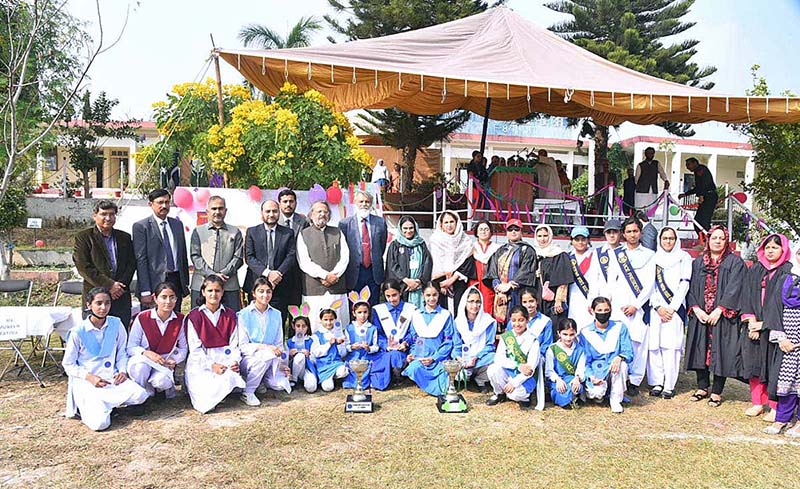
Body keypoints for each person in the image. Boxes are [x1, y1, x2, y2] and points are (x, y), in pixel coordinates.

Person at [62, 287, 148, 431]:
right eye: (99, 303)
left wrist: (122, 371)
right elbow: (68, 364)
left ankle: (109, 407)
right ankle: (92, 408)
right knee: (100, 424)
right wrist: (89, 377)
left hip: (111, 377)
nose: (103, 308)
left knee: (141, 395)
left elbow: (121, 353)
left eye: (107, 303)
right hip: (89, 382)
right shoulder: (78, 332)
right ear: (89, 305)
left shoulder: (116, 324)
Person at [684, 226, 745, 408]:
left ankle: (717, 391)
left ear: (726, 241)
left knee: (722, 351)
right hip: (701, 314)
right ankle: (702, 387)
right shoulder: (698, 263)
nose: (717, 241)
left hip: (722, 316)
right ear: (708, 240)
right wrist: (696, 308)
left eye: (721, 238)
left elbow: (735, 288)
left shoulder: (735, 263)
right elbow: (690, 286)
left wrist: (720, 309)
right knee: (700, 348)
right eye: (714, 238)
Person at [740, 234, 793, 421]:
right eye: (768, 247)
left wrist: (765, 325)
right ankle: (757, 403)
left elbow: (782, 303)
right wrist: (751, 321)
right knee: (754, 365)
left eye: (775, 247)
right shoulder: (756, 269)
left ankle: (775, 407)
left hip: (776, 328)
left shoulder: (788, 272)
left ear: (783, 250)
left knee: (774, 368)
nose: (771, 250)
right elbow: (745, 294)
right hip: (754, 326)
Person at [184, 275, 247, 413]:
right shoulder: (194, 316)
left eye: (217, 290)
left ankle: (223, 392)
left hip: (225, 359)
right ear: (203, 292)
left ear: (222, 292)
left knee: (228, 376)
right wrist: (211, 365)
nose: (214, 294)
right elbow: (195, 349)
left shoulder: (230, 315)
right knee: (205, 400)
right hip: (202, 362)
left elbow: (234, 344)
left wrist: (234, 361)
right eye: (210, 290)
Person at [608, 216, 655, 396]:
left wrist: (636, 304)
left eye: (635, 231)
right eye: (628, 232)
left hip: (639, 305)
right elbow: (611, 280)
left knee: (638, 341)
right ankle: (619, 376)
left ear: (640, 233)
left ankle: (634, 379)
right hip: (619, 303)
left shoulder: (649, 255)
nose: (632, 234)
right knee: (619, 340)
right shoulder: (616, 254)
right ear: (624, 234)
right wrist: (612, 301)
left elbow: (650, 283)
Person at [73, 200, 137, 327]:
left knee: (120, 337)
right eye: (104, 214)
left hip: (120, 297)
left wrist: (119, 287)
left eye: (112, 214)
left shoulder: (124, 237)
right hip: (95, 296)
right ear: (94, 215)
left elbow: (131, 264)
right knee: (94, 337)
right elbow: (83, 266)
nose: (108, 218)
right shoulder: (84, 237)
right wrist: (109, 285)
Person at [648, 227, 692, 399]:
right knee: (655, 345)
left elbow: (685, 283)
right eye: (665, 238)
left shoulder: (684, 258)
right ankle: (657, 381)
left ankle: (669, 384)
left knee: (671, 346)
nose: (668, 241)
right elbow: (649, 285)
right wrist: (659, 307)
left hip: (675, 309)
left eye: (671, 238)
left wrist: (672, 307)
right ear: (659, 240)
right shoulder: (654, 258)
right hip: (656, 309)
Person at [126, 282, 187, 399]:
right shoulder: (143, 317)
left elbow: (183, 348)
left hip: (164, 362)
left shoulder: (180, 320)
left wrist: (174, 360)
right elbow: (131, 346)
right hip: (145, 359)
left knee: (162, 381)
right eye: (163, 297)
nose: (168, 301)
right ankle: (142, 393)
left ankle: (158, 390)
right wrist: (146, 353)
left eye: (172, 297)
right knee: (139, 368)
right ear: (155, 298)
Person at [133, 189, 190, 313]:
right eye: (160, 202)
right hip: (154, 283)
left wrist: (185, 283)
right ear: (151, 204)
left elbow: (182, 254)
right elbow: (141, 259)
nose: (164, 206)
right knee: (153, 324)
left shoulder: (177, 225)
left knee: (174, 321)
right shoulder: (142, 227)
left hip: (176, 280)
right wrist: (145, 290)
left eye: (167, 202)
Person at [296, 201, 350, 331]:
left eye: (325, 212)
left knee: (339, 323)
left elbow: (345, 257)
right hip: (314, 288)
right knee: (314, 325)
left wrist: (334, 276)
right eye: (319, 211)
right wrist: (325, 275)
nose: (322, 214)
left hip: (337, 287)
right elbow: (304, 261)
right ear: (311, 214)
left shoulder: (337, 232)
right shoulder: (304, 234)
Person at [237, 278, 292, 406]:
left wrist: (281, 364)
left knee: (279, 385)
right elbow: (243, 346)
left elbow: (279, 343)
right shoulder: (243, 315)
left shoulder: (276, 314)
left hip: (271, 358)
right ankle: (248, 392)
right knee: (264, 357)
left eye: (268, 292)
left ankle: (259, 380)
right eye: (261, 291)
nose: (265, 295)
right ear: (253, 293)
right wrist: (265, 347)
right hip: (249, 359)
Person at [244, 199, 297, 320]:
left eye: (274, 211)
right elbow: (249, 257)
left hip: (281, 286)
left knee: (278, 322)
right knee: (256, 322)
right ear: (261, 213)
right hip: (256, 285)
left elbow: (291, 256)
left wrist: (278, 275)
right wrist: (268, 273)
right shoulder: (252, 232)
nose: (271, 214)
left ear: (279, 212)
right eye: (268, 211)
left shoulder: (288, 233)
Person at [189, 196, 244, 311]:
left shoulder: (235, 232)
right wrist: (212, 275)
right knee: (199, 321)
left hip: (229, 285)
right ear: (207, 211)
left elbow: (238, 258)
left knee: (231, 321)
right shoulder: (198, 231)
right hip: (201, 285)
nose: (217, 212)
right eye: (214, 209)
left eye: (220, 208)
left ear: (225, 211)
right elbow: (195, 256)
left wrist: (222, 275)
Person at [581, 297, 634, 413]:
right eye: (599, 310)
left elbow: (629, 352)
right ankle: (603, 394)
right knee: (596, 394)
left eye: (606, 310)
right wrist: (591, 376)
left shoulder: (620, 327)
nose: (603, 313)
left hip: (614, 368)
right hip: (597, 371)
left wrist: (620, 357)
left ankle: (615, 400)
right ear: (592, 311)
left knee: (623, 365)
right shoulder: (585, 333)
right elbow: (584, 360)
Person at [402, 282, 455, 396]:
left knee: (443, 381)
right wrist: (413, 354)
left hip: (438, 359)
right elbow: (414, 339)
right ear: (423, 295)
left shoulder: (445, 314)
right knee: (414, 369)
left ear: (439, 295)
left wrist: (434, 357)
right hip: (421, 357)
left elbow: (448, 341)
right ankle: (423, 383)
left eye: (434, 295)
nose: (431, 298)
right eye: (428, 295)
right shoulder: (416, 314)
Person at [484, 218, 538, 324]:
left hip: (518, 292)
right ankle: (505, 340)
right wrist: (498, 287)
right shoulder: (501, 250)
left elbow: (526, 270)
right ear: (506, 233)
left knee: (518, 320)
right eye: (510, 229)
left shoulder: (527, 250)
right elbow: (492, 270)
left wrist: (510, 285)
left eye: (516, 229)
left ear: (521, 231)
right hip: (500, 294)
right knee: (502, 322)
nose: (513, 232)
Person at [339, 189, 387, 306]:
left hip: (373, 271)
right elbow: (343, 248)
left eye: (367, 202)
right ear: (355, 203)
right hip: (354, 271)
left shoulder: (380, 222)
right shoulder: (345, 223)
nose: (364, 204)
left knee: (373, 304)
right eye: (361, 202)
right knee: (354, 305)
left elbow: (382, 245)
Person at [767, 265, 800, 436]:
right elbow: (774, 309)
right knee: (786, 383)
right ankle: (782, 418)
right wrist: (782, 338)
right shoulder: (785, 279)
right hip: (786, 341)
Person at [486, 305, 539, 408]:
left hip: (525, 377)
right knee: (492, 369)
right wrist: (517, 365)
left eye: (521, 320)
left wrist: (514, 383)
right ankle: (499, 393)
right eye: (514, 320)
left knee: (514, 395)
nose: (517, 324)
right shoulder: (506, 337)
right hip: (510, 371)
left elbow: (530, 369)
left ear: (527, 320)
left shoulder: (533, 340)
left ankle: (525, 397)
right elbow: (498, 359)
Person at [430, 211, 475, 316]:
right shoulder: (435, 240)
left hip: (459, 281)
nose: (449, 225)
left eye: (452, 222)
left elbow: (467, 263)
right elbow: (435, 262)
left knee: (459, 310)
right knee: (442, 312)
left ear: (457, 223)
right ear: (441, 225)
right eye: (446, 222)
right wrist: (441, 284)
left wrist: (452, 279)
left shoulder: (466, 241)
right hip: (441, 283)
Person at [452, 286, 496, 393]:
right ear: (465, 303)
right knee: (458, 372)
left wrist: (476, 357)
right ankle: (466, 378)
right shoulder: (458, 322)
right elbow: (456, 345)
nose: (474, 305)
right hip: (464, 359)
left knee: (495, 358)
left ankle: (481, 380)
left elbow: (490, 346)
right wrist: (460, 359)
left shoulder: (489, 321)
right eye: (471, 301)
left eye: (478, 302)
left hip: (481, 359)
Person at [372, 280, 415, 388]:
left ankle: (398, 375)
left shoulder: (411, 309)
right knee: (391, 355)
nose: (391, 299)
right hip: (386, 349)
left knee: (397, 355)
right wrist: (386, 345)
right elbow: (377, 333)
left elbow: (413, 331)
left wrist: (405, 343)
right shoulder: (378, 310)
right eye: (388, 296)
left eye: (394, 295)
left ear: (400, 292)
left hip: (404, 348)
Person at [532, 224, 573, 338]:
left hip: (554, 299)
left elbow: (563, 279)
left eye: (545, 235)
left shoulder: (559, 254)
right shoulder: (534, 254)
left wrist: (559, 300)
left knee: (554, 327)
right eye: (539, 236)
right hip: (539, 297)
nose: (543, 239)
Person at [384, 215, 431, 311]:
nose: (408, 231)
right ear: (400, 229)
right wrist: (406, 280)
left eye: (411, 228)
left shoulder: (421, 244)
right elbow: (392, 265)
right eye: (405, 228)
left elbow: (427, 263)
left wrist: (419, 281)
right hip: (403, 286)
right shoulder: (395, 245)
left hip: (419, 286)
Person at [342, 290, 381, 391]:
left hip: (366, 357)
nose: (362, 315)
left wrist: (369, 348)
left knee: (365, 376)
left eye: (365, 312)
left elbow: (375, 346)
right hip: (353, 357)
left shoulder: (372, 328)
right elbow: (345, 345)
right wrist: (351, 347)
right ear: (354, 313)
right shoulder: (349, 328)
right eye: (359, 312)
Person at [545, 318, 586, 408]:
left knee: (576, 387)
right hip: (557, 380)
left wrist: (577, 378)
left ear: (576, 333)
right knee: (561, 392)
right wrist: (558, 380)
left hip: (571, 379)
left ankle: (573, 397)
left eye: (572, 335)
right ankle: (570, 398)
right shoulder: (552, 349)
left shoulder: (580, 350)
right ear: (559, 333)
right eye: (565, 334)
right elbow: (549, 370)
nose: (568, 338)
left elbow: (581, 368)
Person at [566, 226, 601, 331]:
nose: (580, 242)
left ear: (588, 240)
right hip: (572, 297)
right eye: (577, 239)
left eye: (583, 239)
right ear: (572, 241)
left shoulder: (594, 256)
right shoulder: (567, 257)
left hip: (589, 296)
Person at [310, 306, 349, 392]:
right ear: (321, 320)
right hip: (324, 365)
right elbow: (316, 353)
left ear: (335, 319)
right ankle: (326, 378)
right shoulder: (316, 335)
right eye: (326, 320)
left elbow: (343, 353)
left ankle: (334, 376)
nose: (328, 323)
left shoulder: (338, 333)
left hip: (336, 363)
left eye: (331, 320)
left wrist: (340, 344)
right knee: (328, 388)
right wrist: (329, 344)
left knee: (344, 371)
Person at [678, 157, 718, 237]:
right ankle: (703, 239)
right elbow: (698, 187)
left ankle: (708, 239)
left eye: (688, 165)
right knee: (698, 221)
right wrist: (685, 194)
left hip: (709, 197)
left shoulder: (701, 170)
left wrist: (701, 195)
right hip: (706, 197)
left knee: (703, 221)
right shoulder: (697, 172)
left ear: (694, 163)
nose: (687, 167)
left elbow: (705, 183)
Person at [470, 219, 501, 316]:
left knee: (488, 306)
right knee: (473, 305)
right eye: (481, 229)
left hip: (488, 282)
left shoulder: (497, 248)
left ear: (491, 232)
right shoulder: (471, 247)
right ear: (476, 232)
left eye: (486, 229)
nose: (483, 231)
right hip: (474, 281)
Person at [285, 307, 318, 393]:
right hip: (292, 370)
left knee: (311, 387)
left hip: (307, 368)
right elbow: (284, 360)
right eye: (298, 326)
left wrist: (309, 355)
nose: (300, 329)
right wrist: (289, 355)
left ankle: (302, 380)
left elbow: (316, 359)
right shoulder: (289, 342)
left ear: (307, 327)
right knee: (299, 356)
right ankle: (294, 379)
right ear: (293, 326)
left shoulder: (311, 340)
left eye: (304, 326)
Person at [521, 288, 553, 362]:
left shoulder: (545, 321)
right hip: (517, 357)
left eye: (531, 301)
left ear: (537, 302)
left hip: (538, 358)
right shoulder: (515, 321)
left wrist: (534, 356)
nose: (528, 305)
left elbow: (547, 344)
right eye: (524, 302)